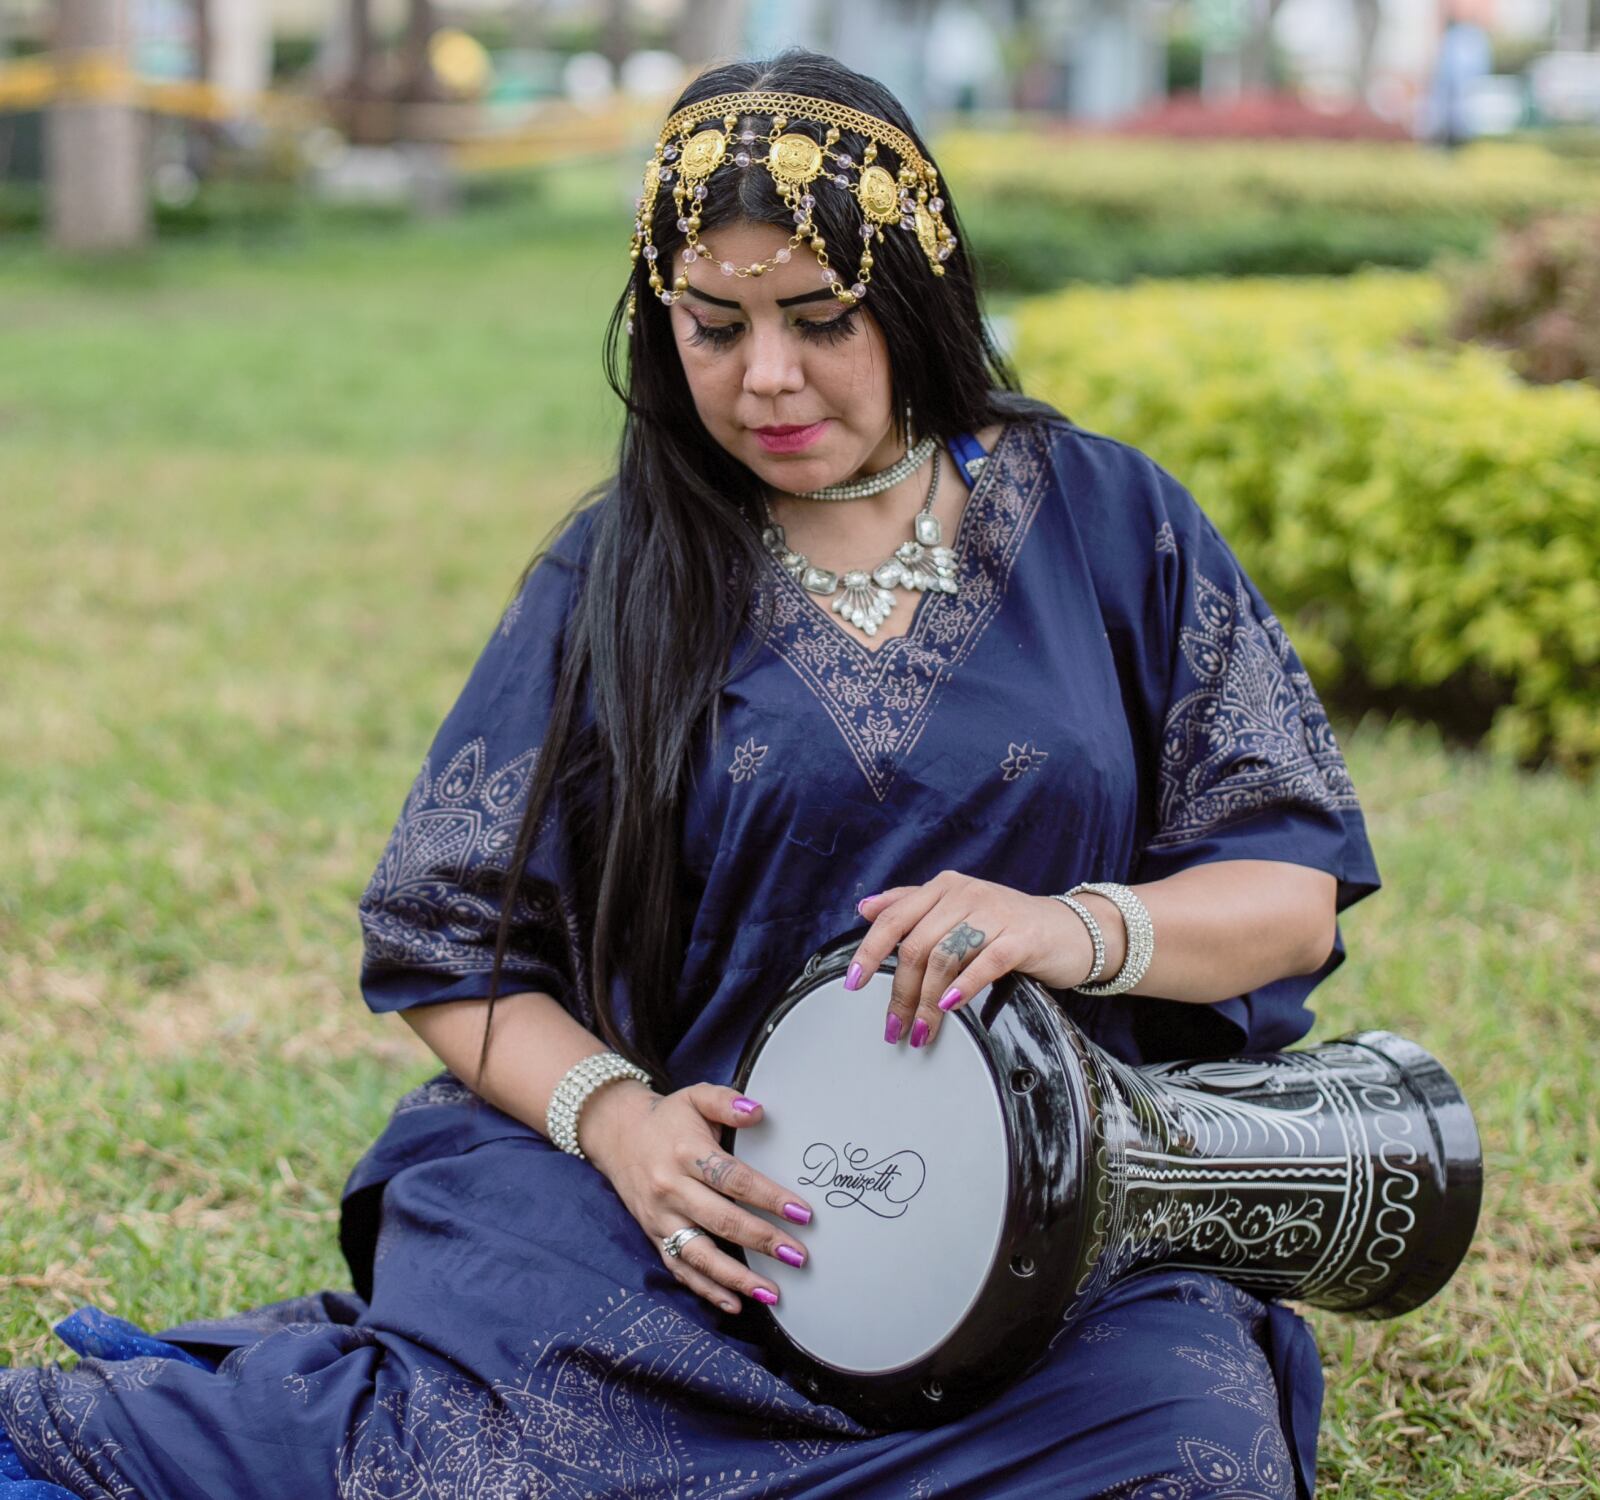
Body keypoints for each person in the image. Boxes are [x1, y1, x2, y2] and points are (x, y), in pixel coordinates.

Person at [0, 47, 1379, 1500]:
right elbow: (449, 949)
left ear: (913, 297)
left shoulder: (1107, 520)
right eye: (711, 326)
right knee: (492, 1463)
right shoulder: (621, 570)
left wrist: (1071, 924)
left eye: (820, 318)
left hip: (1053, 1253)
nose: (763, 377)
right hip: (691, 1233)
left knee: (1188, 1469)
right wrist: (621, 1123)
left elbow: (1289, 897)